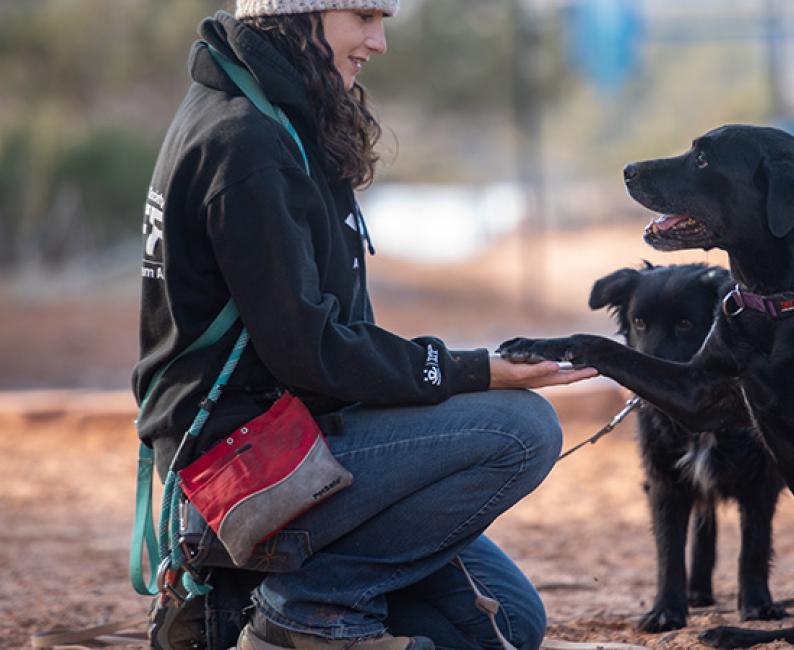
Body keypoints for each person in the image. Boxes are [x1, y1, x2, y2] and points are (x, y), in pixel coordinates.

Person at [132, 1, 596, 648]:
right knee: (522, 428)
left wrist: (451, 378)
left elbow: (316, 347)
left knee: (510, 623)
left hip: (299, 431)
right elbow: (312, 352)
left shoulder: (272, 112)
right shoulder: (247, 143)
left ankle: (258, 609)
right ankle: (306, 608)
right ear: (298, 16)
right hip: (244, 469)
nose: (378, 42)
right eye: (363, 16)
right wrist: (469, 371)